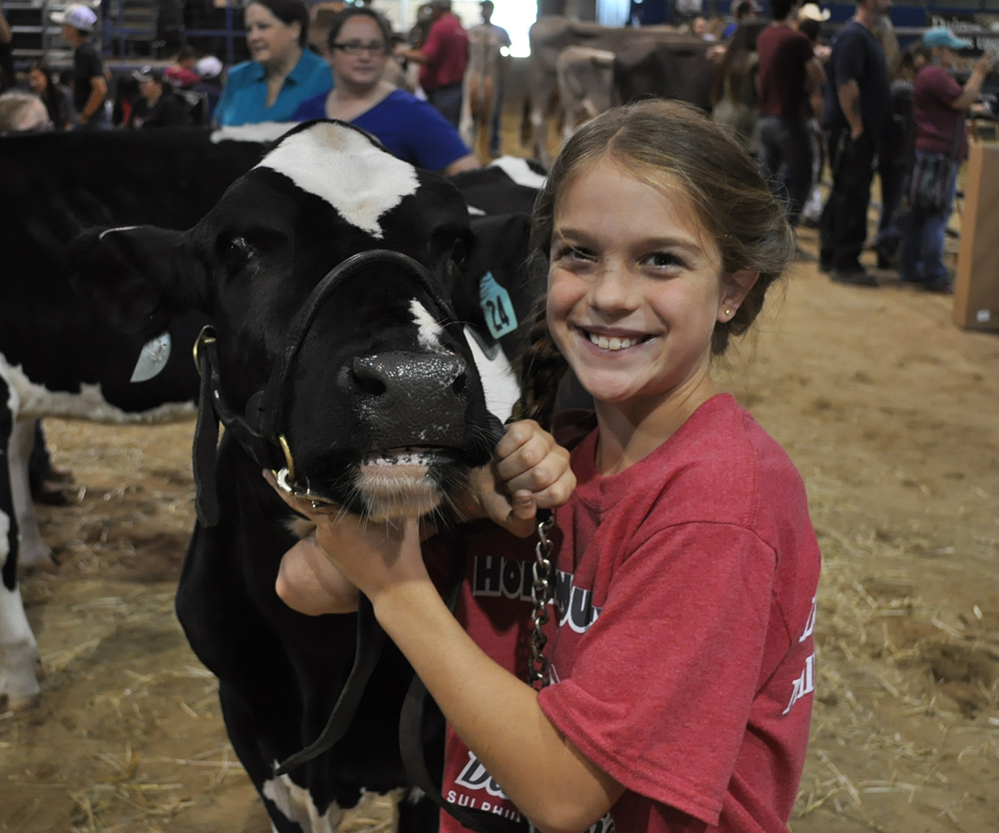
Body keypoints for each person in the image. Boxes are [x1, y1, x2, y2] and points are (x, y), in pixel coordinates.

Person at [271, 100, 821, 833]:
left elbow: (564, 794)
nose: (609, 295)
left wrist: (398, 588)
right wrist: (451, 504)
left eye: (660, 259)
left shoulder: (716, 501)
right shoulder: (557, 458)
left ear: (732, 288)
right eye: (578, 253)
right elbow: (304, 584)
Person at [292, 7, 478, 176]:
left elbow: (469, 172)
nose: (365, 56)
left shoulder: (411, 113)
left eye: (375, 47)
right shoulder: (309, 110)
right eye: (353, 46)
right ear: (329, 53)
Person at [899, 28, 992, 293]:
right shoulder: (935, 75)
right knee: (936, 214)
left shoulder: (928, 75)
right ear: (937, 51)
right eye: (950, 49)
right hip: (937, 156)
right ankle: (934, 275)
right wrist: (979, 74)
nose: (955, 54)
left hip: (930, 154)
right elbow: (962, 100)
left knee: (922, 213)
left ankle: (911, 268)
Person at [818, 0, 892, 286]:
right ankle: (845, 261)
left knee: (844, 193)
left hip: (854, 132)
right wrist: (857, 124)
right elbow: (845, 83)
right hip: (851, 133)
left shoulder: (862, 36)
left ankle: (832, 255)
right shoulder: (854, 36)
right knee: (852, 195)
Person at [756, 0, 826, 232]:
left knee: (767, 180)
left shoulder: (764, 36)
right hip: (789, 117)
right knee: (803, 177)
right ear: (793, 9)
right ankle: (785, 232)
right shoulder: (797, 40)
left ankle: (763, 231)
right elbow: (817, 75)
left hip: (765, 117)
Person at [213, 0, 332, 126]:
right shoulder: (238, 77)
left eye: (263, 26)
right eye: (249, 29)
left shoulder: (328, 77)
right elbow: (217, 132)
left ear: (294, 29)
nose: (253, 37)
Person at [395, 0, 468, 128]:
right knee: (449, 129)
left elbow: (427, 56)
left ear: (437, 8)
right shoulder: (458, 27)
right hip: (454, 89)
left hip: (441, 92)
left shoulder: (439, 27)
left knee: (439, 129)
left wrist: (402, 52)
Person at [710, 20, 765, 156]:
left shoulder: (726, 59)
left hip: (720, 114)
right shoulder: (755, 60)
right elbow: (761, 90)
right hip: (745, 119)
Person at [51, 3, 109, 129]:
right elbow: (106, 75)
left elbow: (100, 88)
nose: (62, 28)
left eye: (65, 25)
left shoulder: (85, 53)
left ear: (74, 28)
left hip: (93, 120)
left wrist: (85, 115)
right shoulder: (85, 50)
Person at [467, 0, 511, 157]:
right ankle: (470, 145)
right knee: (471, 111)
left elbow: (507, 53)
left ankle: (492, 147)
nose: (485, 12)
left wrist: (501, 72)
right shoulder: (472, 31)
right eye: (483, 9)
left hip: (492, 77)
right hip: (474, 77)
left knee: (494, 112)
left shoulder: (500, 32)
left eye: (487, 9)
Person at [27, 60, 75, 130]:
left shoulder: (63, 93)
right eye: (30, 79)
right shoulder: (31, 97)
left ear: (46, 76)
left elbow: (70, 121)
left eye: (36, 78)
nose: (33, 83)